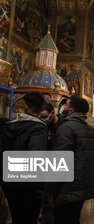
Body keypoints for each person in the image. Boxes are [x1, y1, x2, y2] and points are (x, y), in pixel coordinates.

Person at [44, 95, 94, 224]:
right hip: (82, 187)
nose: (63, 106)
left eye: (66, 104)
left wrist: (49, 191)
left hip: (67, 189)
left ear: (71, 110)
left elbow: (59, 162)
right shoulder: (92, 130)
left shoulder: (67, 128)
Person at [1, 92, 48, 224]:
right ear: (42, 108)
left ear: (26, 107)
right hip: (28, 185)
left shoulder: (9, 125)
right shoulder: (38, 128)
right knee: (29, 217)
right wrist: (40, 186)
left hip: (9, 181)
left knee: (17, 216)